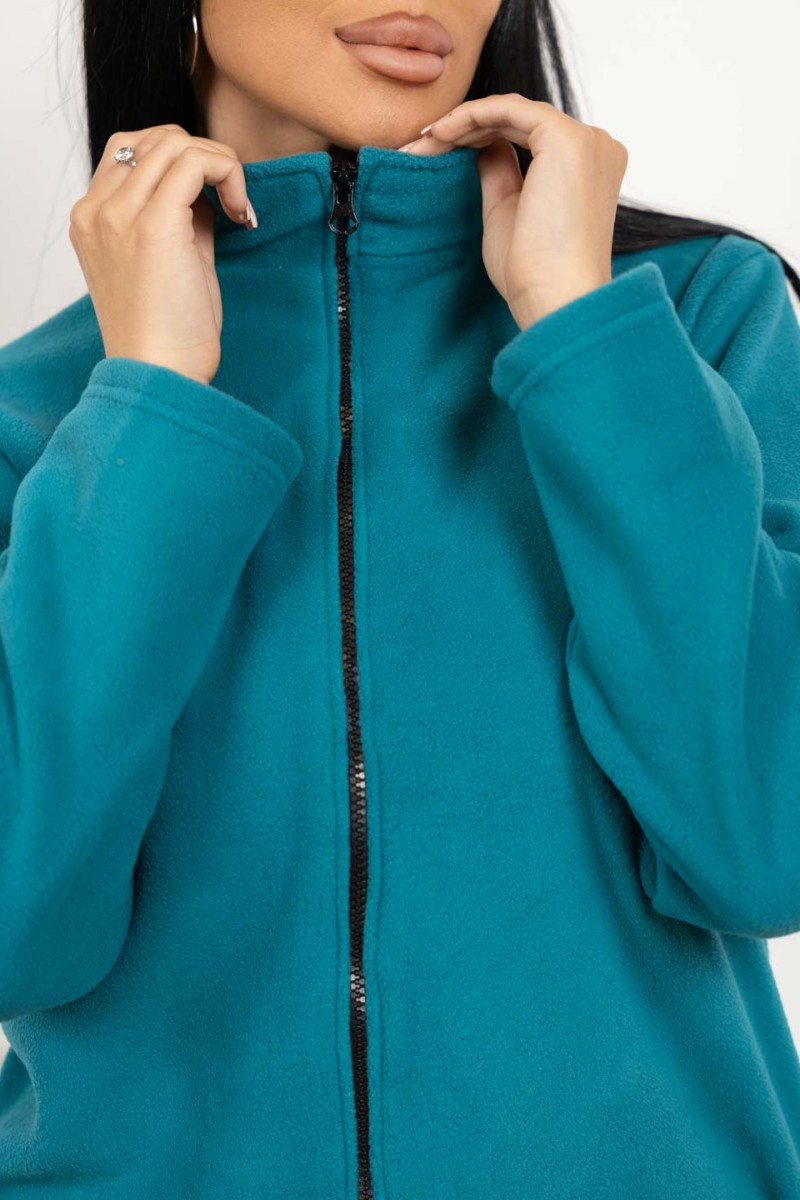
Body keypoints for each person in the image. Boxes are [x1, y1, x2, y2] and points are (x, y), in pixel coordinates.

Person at [1, 1, 799, 1196]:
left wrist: (580, 328)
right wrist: (153, 398)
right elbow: (18, 932)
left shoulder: (684, 324)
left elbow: (764, 846)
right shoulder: (42, 418)